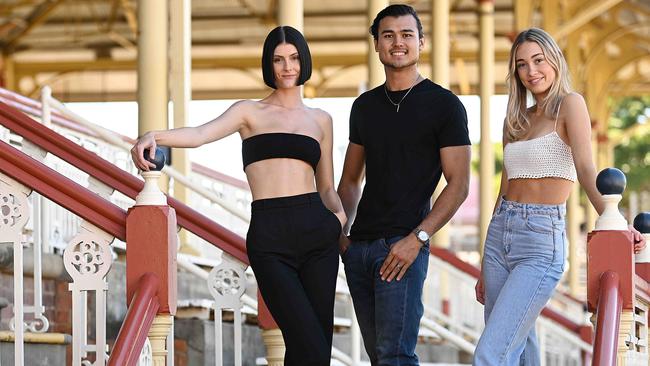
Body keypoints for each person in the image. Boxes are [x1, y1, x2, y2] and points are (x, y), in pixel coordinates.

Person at [131, 26, 345, 366]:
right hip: (270, 235)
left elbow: (328, 187)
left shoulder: (321, 120)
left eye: (293, 58)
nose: (287, 67)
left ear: (304, 61)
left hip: (317, 231)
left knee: (313, 345)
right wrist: (153, 135)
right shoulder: (249, 112)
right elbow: (201, 134)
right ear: (268, 64)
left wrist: (339, 222)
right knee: (308, 342)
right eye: (278, 59)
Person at [473, 27, 646, 365]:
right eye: (522, 65)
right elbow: (504, 188)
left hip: (540, 240)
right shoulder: (515, 120)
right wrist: (485, 258)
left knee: (491, 353)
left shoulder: (571, 104)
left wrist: (618, 223)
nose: (532, 71)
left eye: (539, 60)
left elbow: (585, 167)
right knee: (520, 348)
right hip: (500, 237)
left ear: (554, 60)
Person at [337, 4, 471, 365]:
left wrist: (418, 239)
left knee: (395, 356)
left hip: (403, 248)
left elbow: (458, 185)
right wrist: (341, 237)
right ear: (378, 45)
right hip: (360, 251)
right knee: (380, 358)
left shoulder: (445, 106)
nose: (398, 43)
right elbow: (350, 180)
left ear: (421, 43)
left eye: (407, 34)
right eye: (388, 35)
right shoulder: (364, 107)